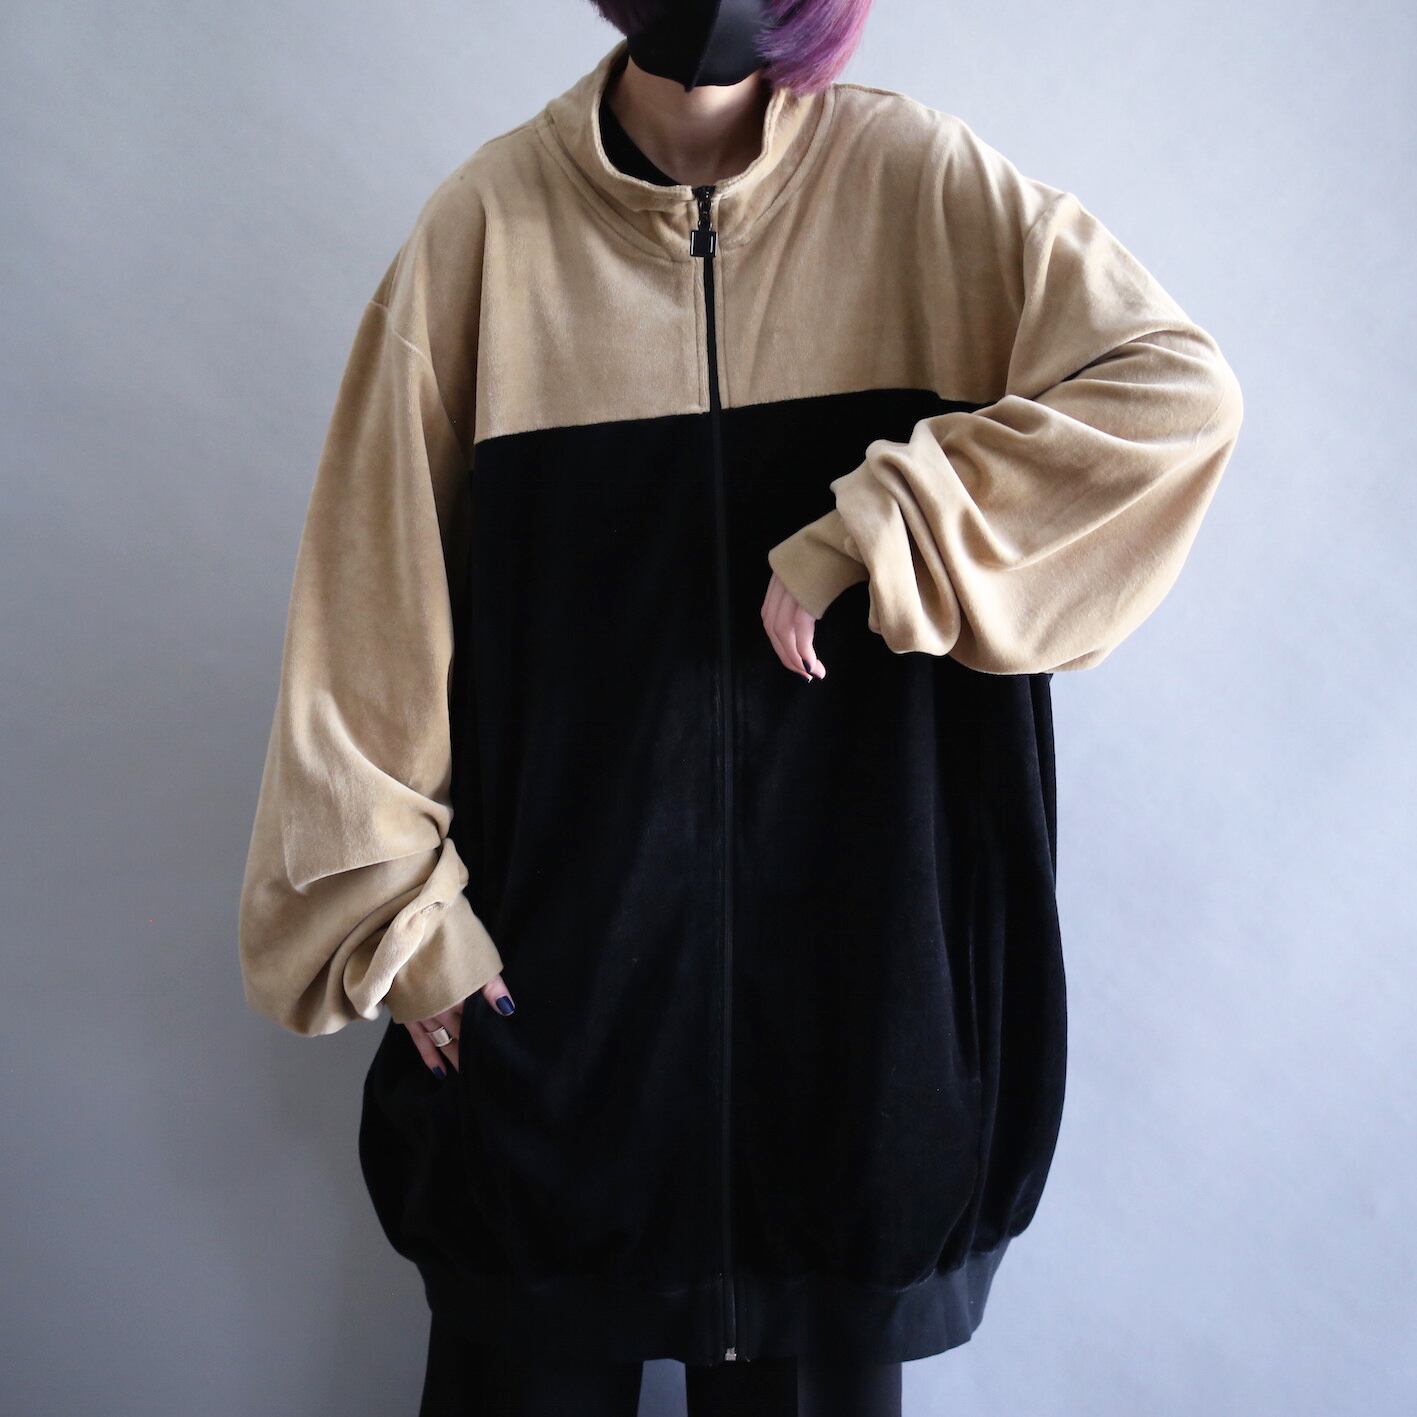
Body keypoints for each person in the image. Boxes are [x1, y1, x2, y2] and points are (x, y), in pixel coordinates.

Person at [237, 1, 1244, 1413]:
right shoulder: (489, 230)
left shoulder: (918, 184)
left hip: (860, 1030)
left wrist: (879, 522)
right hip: (548, 1036)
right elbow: (365, 608)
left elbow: (1172, 396)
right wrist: (404, 922)